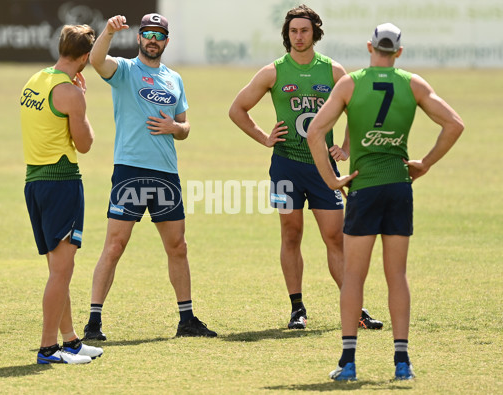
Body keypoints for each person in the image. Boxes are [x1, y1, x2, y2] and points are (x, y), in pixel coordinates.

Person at [307, 23, 464, 380]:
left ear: (369, 47)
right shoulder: (413, 84)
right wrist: (425, 163)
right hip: (398, 187)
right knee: (397, 276)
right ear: (399, 52)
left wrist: (331, 179)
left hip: (364, 188)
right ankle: (402, 363)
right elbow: (454, 124)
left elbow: (315, 132)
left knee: (353, 276)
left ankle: (348, 362)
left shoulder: (350, 83)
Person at [229, 4, 382, 331]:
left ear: (315, 33)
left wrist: (346, 146)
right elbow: (237, 109)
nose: (298, 36)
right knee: (291, 234)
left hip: (323, 169)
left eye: (304, 31)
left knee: (335, 237)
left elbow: (358, 111)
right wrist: (263, 138)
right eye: (293, 31)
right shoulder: (273, 71)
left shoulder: (333, 71)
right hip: (286, 167)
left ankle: (355, 306)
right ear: (287, 34)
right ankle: (297, 308)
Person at [82, 13, 217, 340]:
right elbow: (96, 60)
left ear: (166, 41)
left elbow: (184, 127)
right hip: (130, 170)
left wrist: (175, 128)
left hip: (166, 173)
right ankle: (93, 323)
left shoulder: (174, 79)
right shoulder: (126, 71)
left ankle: (187, 320)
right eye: (147, 34)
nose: (153, 39)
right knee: (115, 245)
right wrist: (109, 32)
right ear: (140, 38)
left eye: (159, 34)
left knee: (178, 246)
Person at [20, 25, 104, 364]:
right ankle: (47, 348)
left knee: (58, 268)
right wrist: (82, 102)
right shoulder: (70, 93)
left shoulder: (35, 80)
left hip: (34, 182)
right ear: (85, 57)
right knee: (62, 271)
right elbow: (84, 145)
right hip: (62, 182)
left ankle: (70, 341)